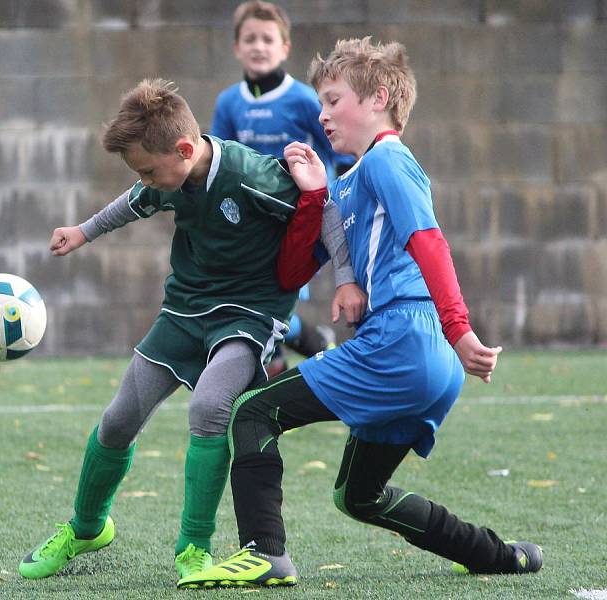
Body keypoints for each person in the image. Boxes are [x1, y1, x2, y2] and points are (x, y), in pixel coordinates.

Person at [177, 37, 543, 589]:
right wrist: (312, 197)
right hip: (422, 359)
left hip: (405, 341)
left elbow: (428, 241)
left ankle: (265, 553)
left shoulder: (389, 158)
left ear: (380, 97)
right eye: (320, 104)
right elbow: (293, 269)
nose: (321, 115)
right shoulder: (350, 182)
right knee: (358, 496)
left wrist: (460, 329)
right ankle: (501, 555)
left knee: (252, 412)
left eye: (332, 100)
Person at [17, 78, 363, 582]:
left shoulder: (252, 175)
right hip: (183, 311)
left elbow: (327, 210)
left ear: (184, 148)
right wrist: (82, 231)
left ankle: (193, 550)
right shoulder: (169, 178)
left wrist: (348, 280)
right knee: (117, 422)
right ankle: (87, 527)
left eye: (149, 170)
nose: (146, 180)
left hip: (249, 315)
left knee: (208, 406)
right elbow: (134, 201)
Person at [212, 0, 356, 377]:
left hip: (297, 220)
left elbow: (338, 152)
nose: (259, 46)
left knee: (277, 305)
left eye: (267, 39)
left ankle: (315, 345)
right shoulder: (229, 102)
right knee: (254, 308)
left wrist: (334, 199)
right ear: (237, 47)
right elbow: (220, 159)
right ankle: (276, 367)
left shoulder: (303, 100)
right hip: (249, 223)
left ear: (284, 47)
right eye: (250, 39)